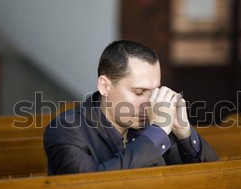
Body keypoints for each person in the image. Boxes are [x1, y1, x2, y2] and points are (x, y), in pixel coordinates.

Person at [44, 40, 219, 175]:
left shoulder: (155, 122)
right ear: (105, 86)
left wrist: (184, 132)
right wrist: (156, 133)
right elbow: (91, 188)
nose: (149, 103)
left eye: (154, 91)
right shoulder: (64, 130)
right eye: (138, 92)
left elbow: (212, 179)